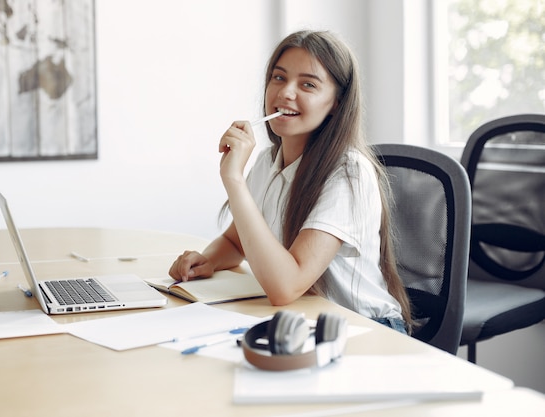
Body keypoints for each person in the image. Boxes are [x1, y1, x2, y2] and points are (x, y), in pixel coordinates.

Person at [168, 30, 413, 334]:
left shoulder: (348, 173)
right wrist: (207, 260)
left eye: (307, 84)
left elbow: (285, 286)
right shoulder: (268, 160)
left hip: (365, 329)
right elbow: (236, 241)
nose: (285, 93)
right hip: (304, 322)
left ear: (337, 102)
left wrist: (233, 179)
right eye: (279, 78)